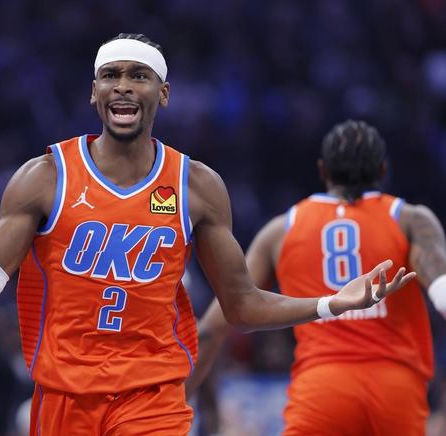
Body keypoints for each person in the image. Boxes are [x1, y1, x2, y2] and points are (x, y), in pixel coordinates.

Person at [0, 35, 414, 435]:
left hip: (153, 395)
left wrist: (330, 303)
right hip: (63, 397)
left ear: (162, 93)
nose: (123, 86)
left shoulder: (197, 186)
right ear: (93, 92)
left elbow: (241, 305)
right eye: (112, 75)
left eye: (138, 76)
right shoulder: (45, 177)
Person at [186, 120, 446, 436]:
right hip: (396, 388)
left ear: (323, 170)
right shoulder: (411, 219)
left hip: (321, 388)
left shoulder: (282, 230)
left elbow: (213, 329)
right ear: (382, 170)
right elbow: (442, 293)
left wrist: (174, 403)